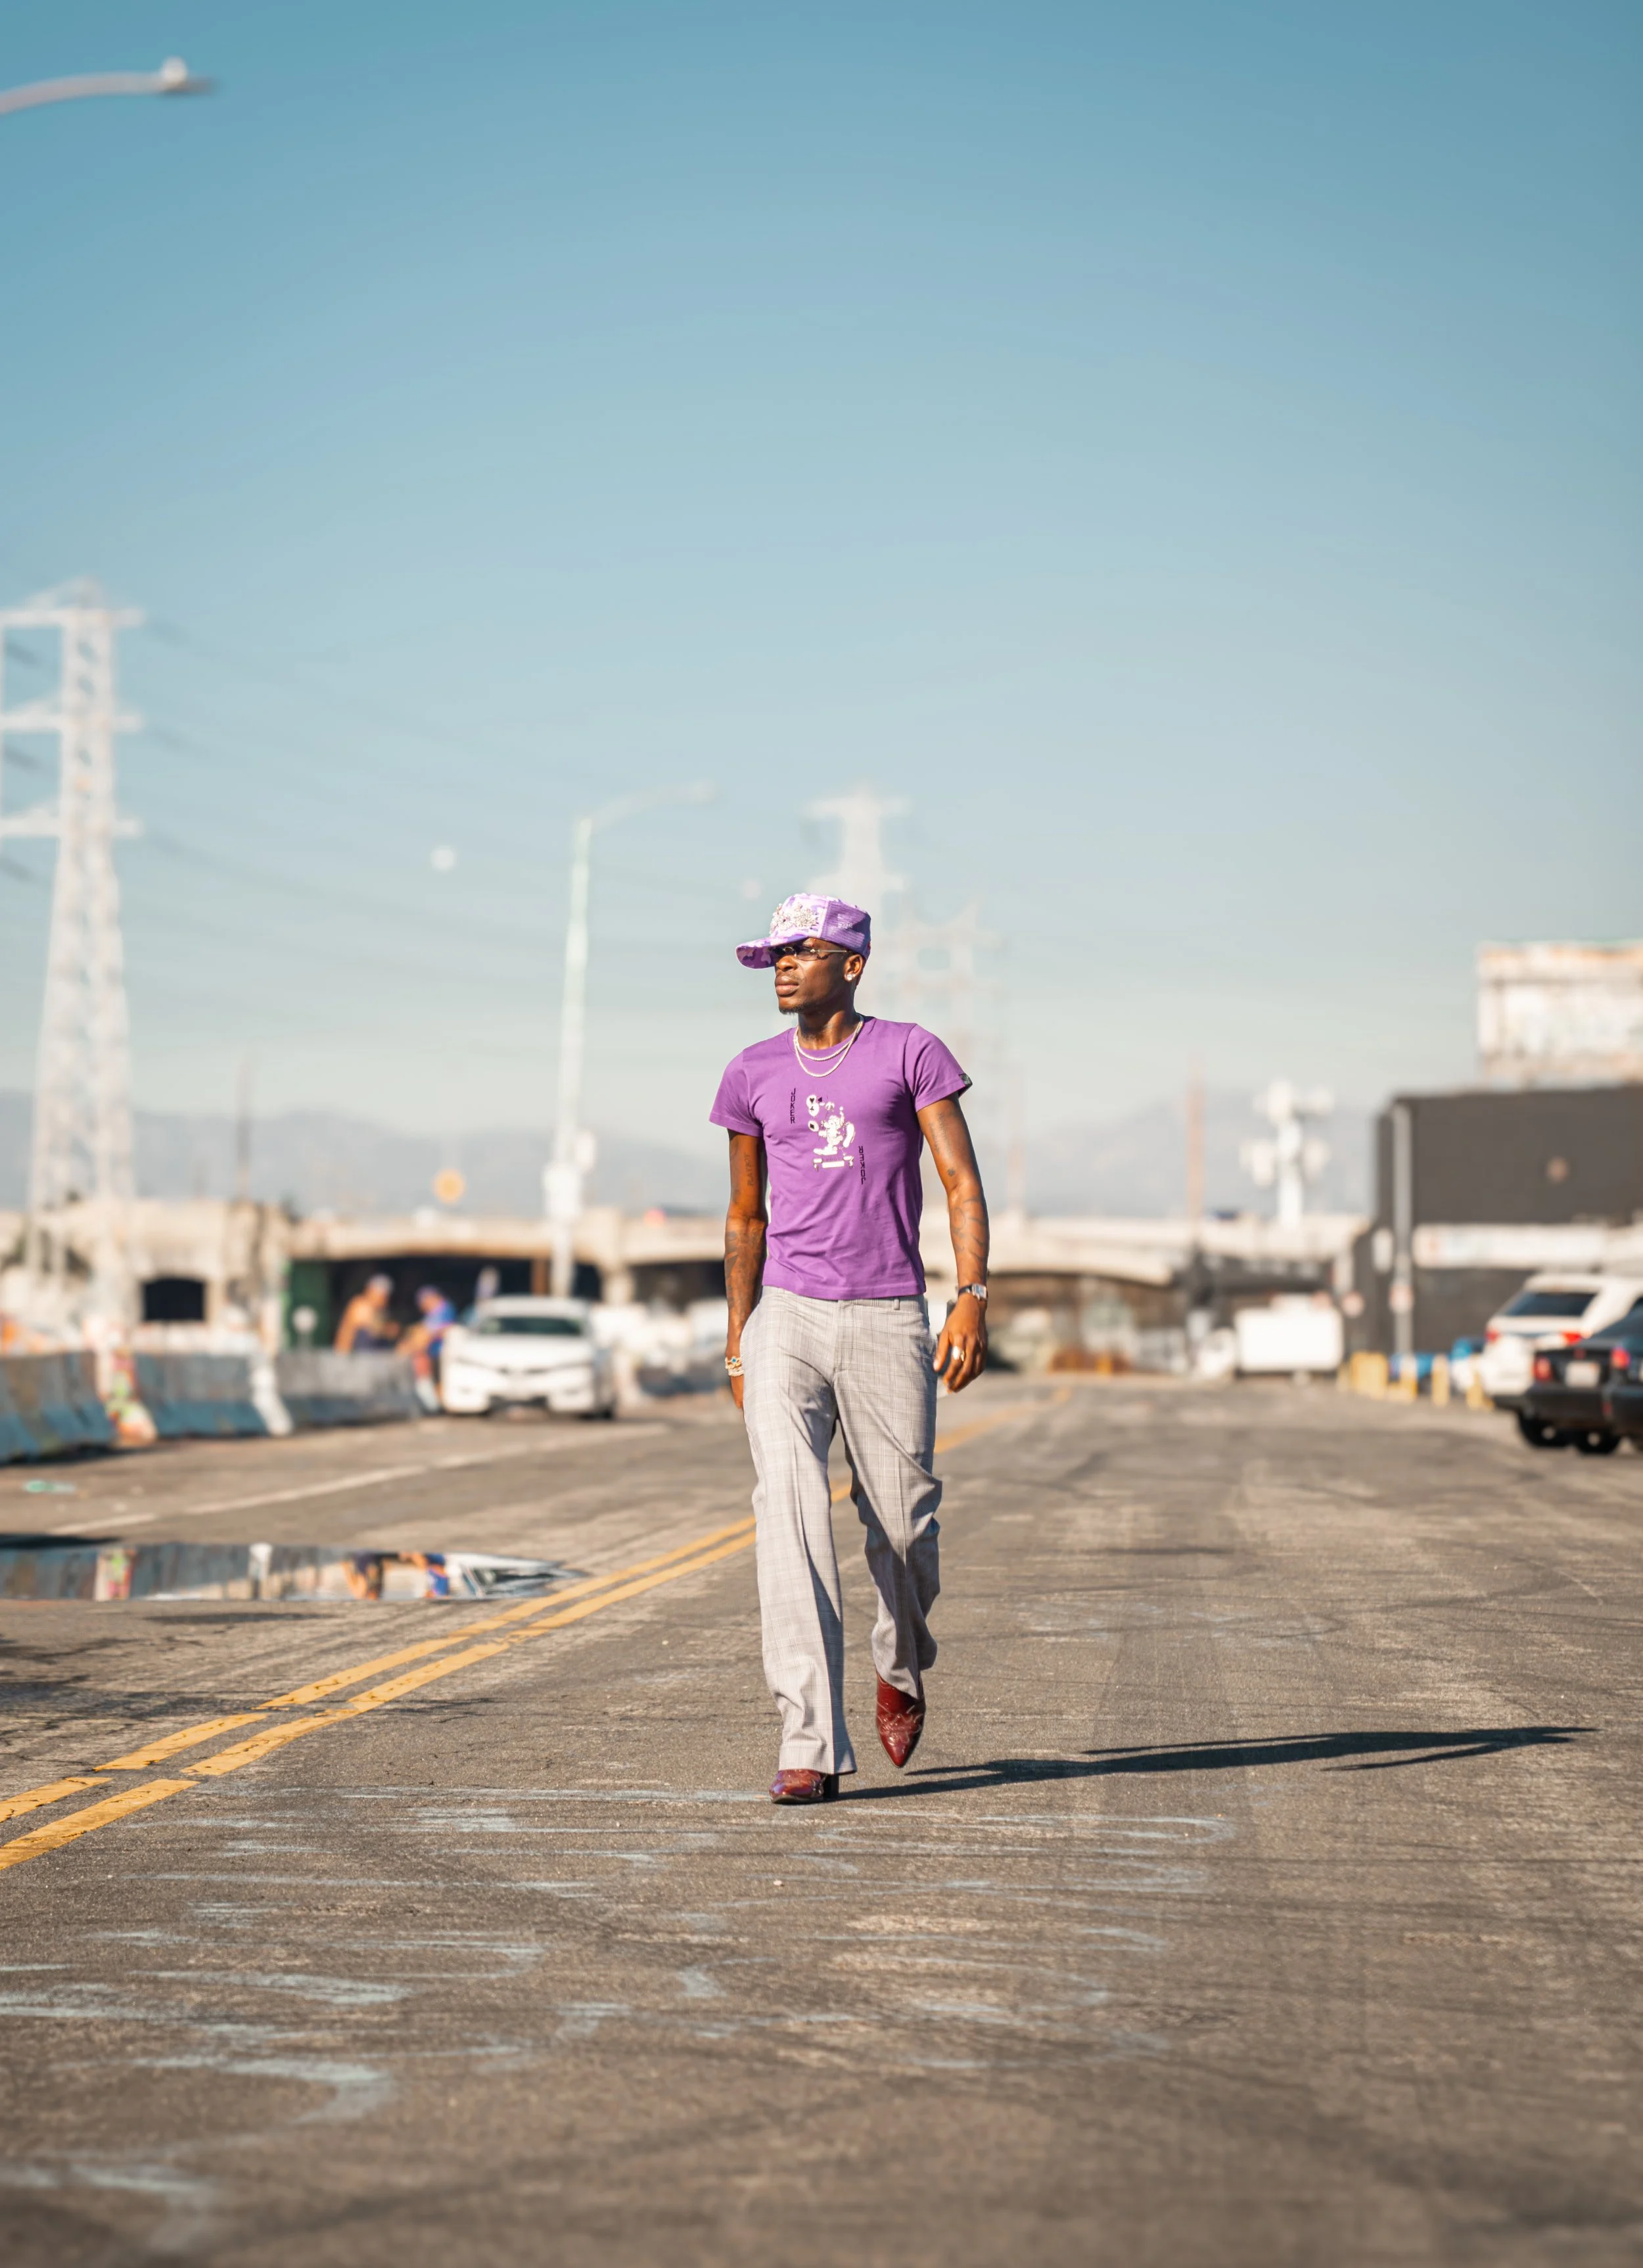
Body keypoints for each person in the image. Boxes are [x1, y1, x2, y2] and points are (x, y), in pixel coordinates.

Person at [712, 892, 990, 1806]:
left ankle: (902, 1658)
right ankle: (810, 1739)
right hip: (785, 1314)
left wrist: (972, 1296)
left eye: (803, 950)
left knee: (904, 1524)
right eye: (776, 954)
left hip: (886, 1314)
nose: (785, 966)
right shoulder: (751, 1072)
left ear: (853, 962)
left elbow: (959, 1183)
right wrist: (737, 1334)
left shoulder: (911, 1052)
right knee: (787, 1516)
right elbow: (745, 1216)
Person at [334, 1274, 400, 1353]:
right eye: (382, 1295)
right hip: (350, 1357)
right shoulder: (359, 1305)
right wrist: (388, 1329)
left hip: (368, 1359)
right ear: (371, 1291)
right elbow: (376, 1328)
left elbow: (393, 1330)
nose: (384, 1299)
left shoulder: (381, 1311)